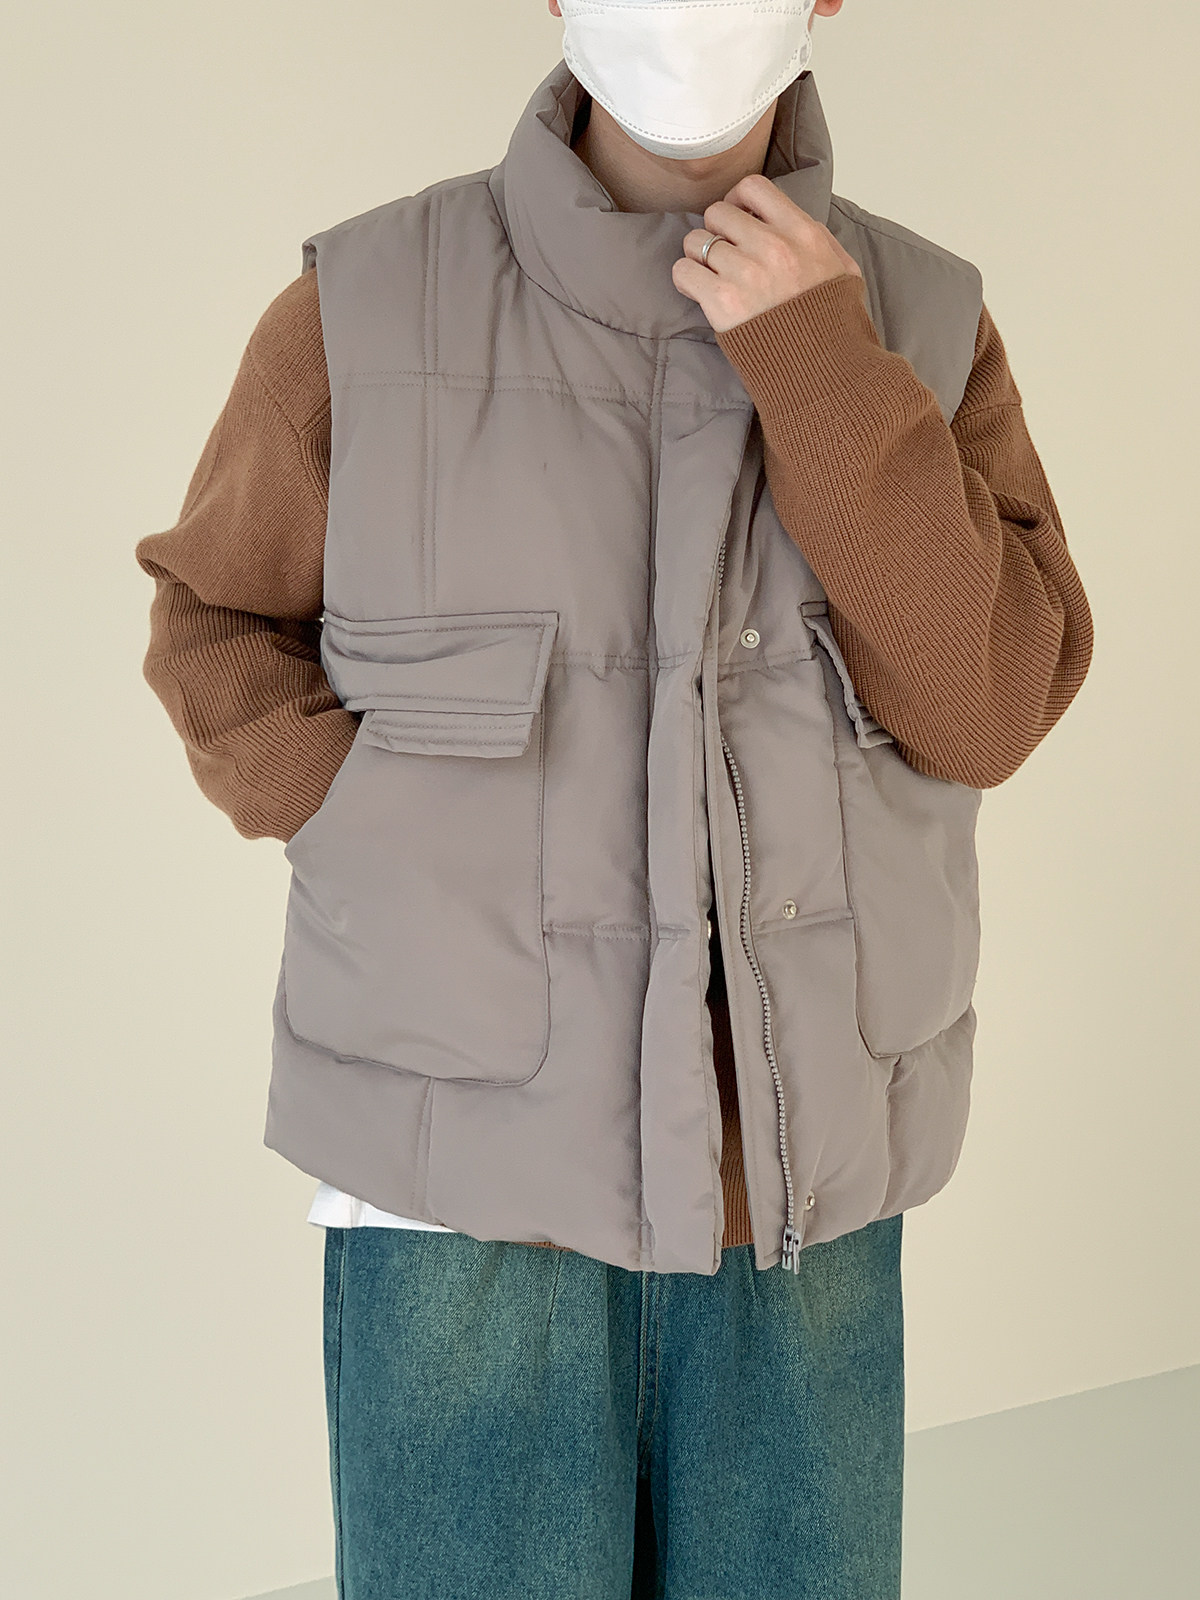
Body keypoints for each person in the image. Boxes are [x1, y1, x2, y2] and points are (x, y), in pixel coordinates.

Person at [134, 2, 1094, 1594]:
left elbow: (989, 702)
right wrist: (373, 838)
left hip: (799, 1207)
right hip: (457, 1207)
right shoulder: (363, 305)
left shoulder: (922, 321)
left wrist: (821, 366)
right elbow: (214, 624)